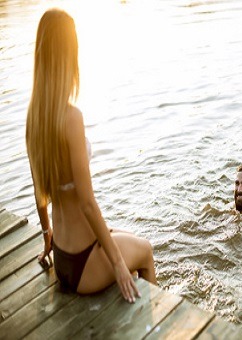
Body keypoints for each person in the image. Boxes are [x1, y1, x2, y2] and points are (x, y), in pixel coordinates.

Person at [26, 9, 157, 304]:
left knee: (123, 236)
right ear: (67, 55)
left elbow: (39, 194)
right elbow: (86, 202)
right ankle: (155, 327)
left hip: (63, 258)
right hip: (85, 264)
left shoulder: (34, 118)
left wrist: (47, 236)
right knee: (145, 251)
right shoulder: (71, 117)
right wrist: (119, 265)